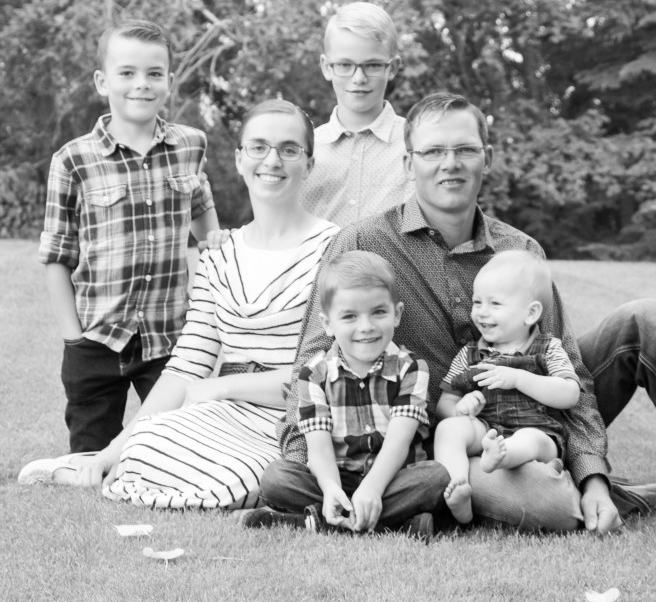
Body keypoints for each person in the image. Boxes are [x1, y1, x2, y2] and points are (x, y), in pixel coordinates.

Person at [280, 91, 656, 534]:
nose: (450, 163)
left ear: (487, 158)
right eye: (433, 151)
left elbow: (573, 375)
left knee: (644, 320)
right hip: (449, 441)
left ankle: (589, 486)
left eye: (465, 150)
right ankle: (606, 495)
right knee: (551, 505)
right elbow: (313, 364)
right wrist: (317, 481)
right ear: (408, 163)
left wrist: (593, 478)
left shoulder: (520, 249)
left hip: (538, 412)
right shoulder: (363, 244)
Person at [21, 99, 338, 510]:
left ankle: (117, 480)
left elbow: (327, 371)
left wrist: (222, 386)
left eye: (289, 149)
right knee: (147, 440)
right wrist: (113, 450)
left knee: (242, 481)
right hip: (219, 416)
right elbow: (187, 364)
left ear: (309, 164)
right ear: (239, 159)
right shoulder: (219, 255)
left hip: (293, 420)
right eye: (258, 147)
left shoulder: (333, 249)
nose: (272, 160)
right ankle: (99, 466)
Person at [21, 19, 219, 462]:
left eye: (154, 73)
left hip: (170, 336)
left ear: (169, 80)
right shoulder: (73, 159)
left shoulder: (191, 145)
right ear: (102, 81)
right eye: (127, 72)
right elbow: (57, 256)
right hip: (97, 337)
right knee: (90, 459)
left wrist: (213, 265)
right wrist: (73, 338)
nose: (141, 84)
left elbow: (203, 214)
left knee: (174, 456)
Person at [253, 251, 448, 538]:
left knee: (435, 477)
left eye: (378, 312)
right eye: (349, 316)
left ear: (397, 314)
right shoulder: (314, 374)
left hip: (392, 477)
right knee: (276, 478)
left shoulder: (411, 368)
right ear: (328, 324)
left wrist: (372, 488)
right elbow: (319, 449)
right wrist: (331, 488)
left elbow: (399, 441)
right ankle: (395, 524)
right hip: (337, 478)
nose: (365, 326)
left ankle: (319, 523)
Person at [434, 251, 580, 524]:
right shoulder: (469, 355)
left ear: (531, 313)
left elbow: (570, 393)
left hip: (539, 432)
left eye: (495, 303)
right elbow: (445, 401)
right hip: (485, 429)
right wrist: (461, 409)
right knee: (448, 429)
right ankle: (457, 487)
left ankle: (503, 457)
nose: (481, 312)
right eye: (477, 302)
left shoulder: (548, 348)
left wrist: (519, 379)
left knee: (528, 438)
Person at [299, 2, 413, 226]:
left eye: (372, 65)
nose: (359, 78)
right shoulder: (305, 151)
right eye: (344, 65)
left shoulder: (416, 145)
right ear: (326, 67)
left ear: (393, 68)